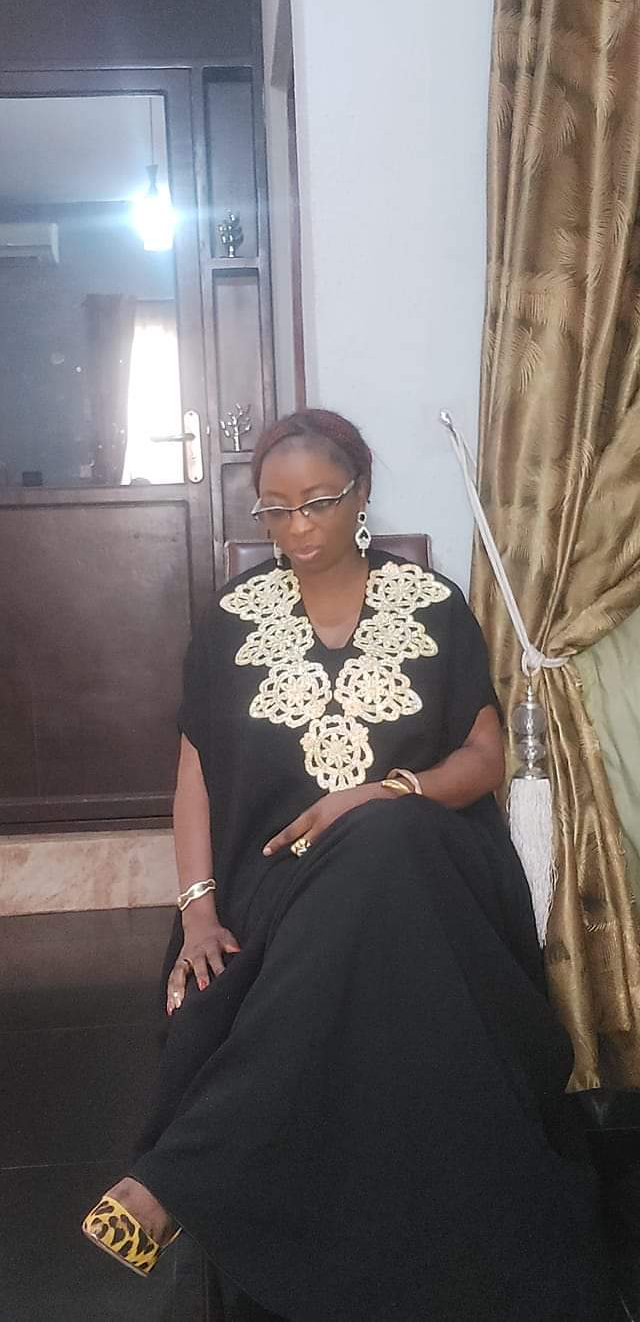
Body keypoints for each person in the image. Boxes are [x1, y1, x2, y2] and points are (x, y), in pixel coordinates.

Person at [82, 408, 618, 1321]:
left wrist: (384, 792)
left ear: (361, 493)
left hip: (432, 867)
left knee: (380, 841)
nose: (296, 527)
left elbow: (485, 758)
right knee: (356, 870)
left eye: (318, 502)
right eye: (275, 509)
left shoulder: (433, 604)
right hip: (278, 884)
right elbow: (196, 774)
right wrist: (199, 908)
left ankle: (178, 1173)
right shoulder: (231, 619)